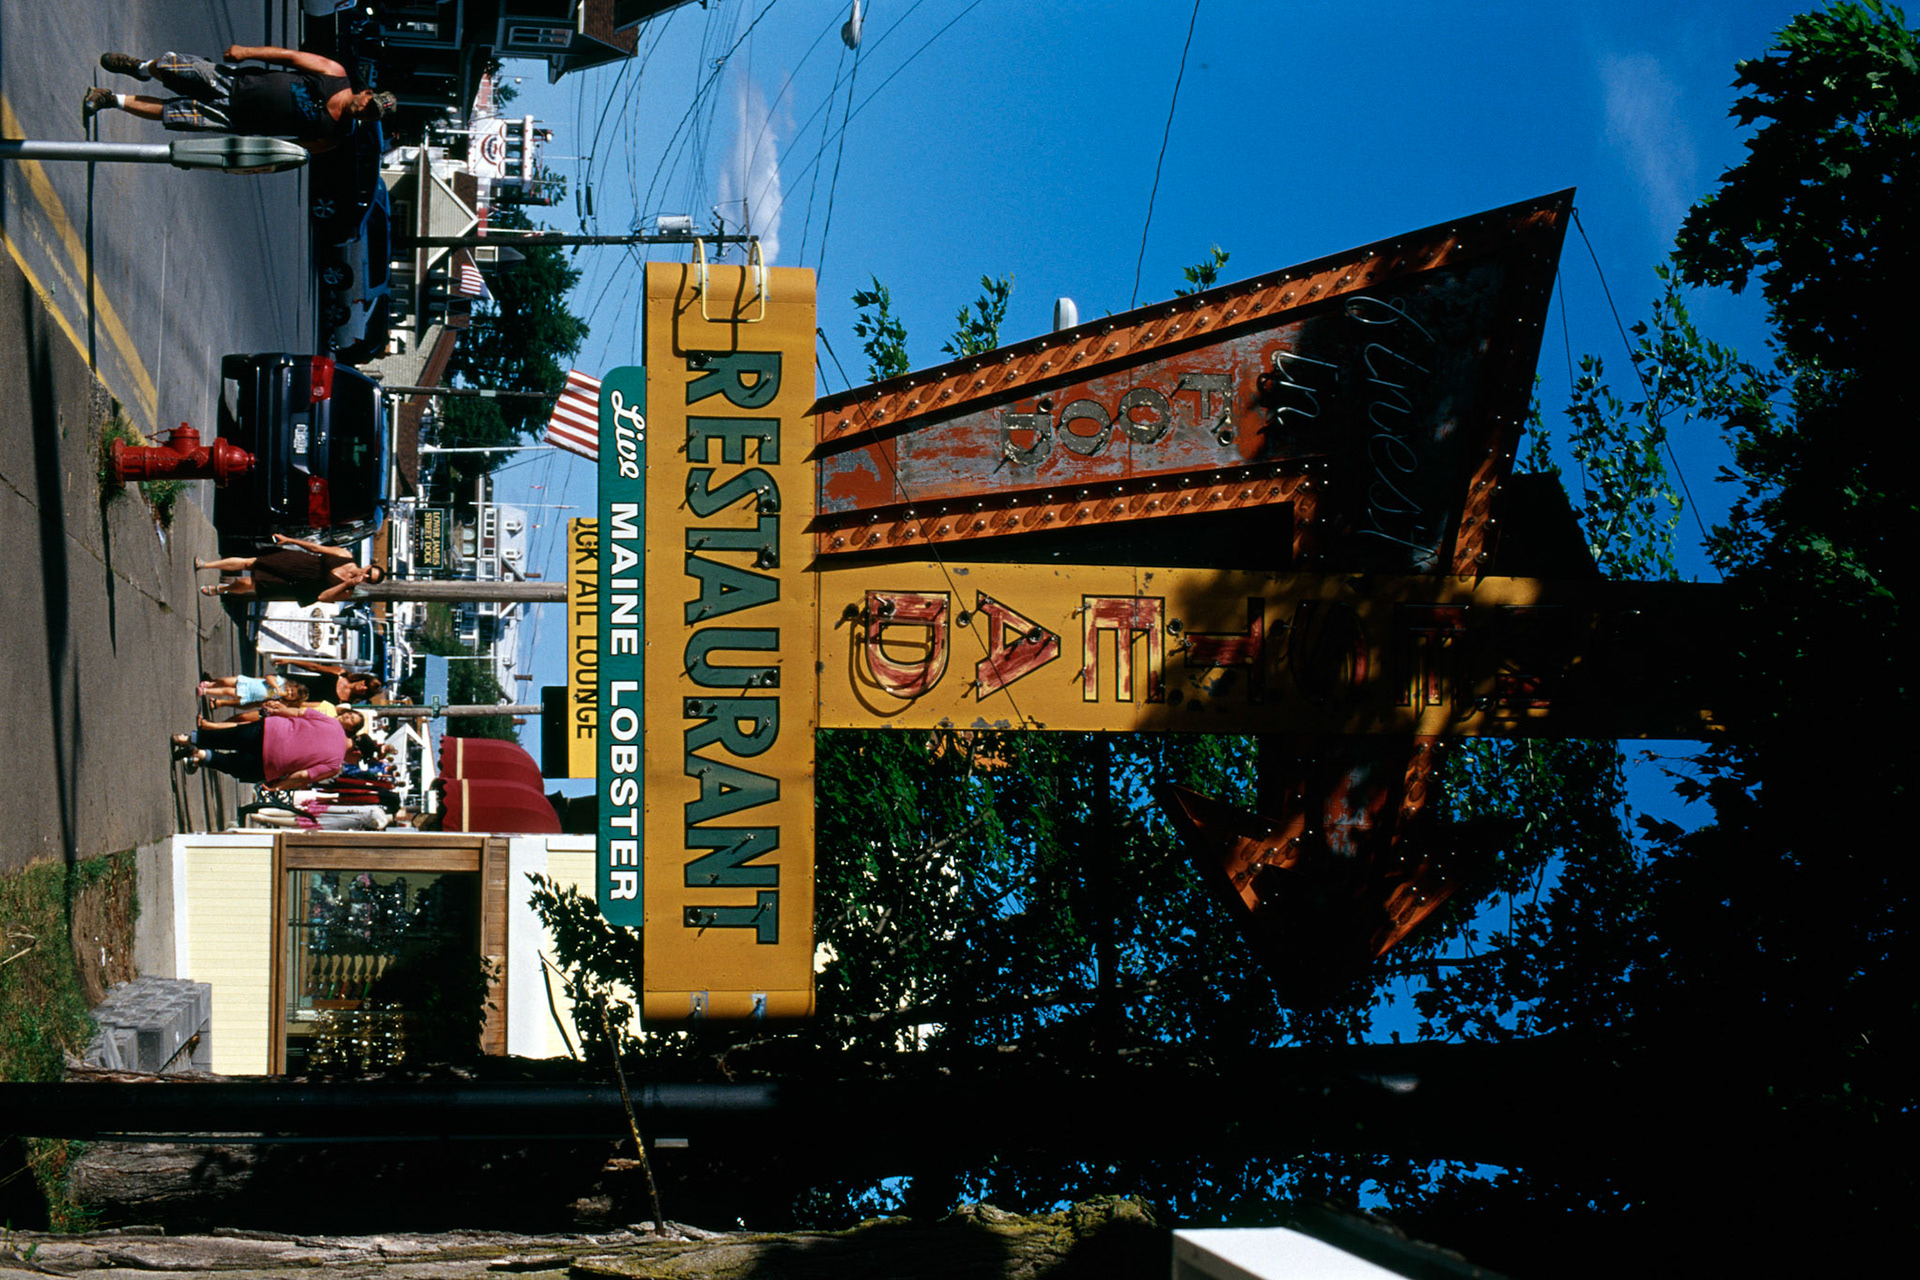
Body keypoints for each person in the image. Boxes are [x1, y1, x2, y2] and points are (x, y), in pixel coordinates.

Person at [83, 47, 393, 149]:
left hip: (235, 119)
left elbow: (294, 149)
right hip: (236, 82)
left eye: (372, 115)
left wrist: (252, 158)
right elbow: (290, 57)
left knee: (172, 113)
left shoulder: (337, 134)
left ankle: (109, 99)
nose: (366, 111)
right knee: (172, 68)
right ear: (367, 93)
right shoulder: (335, 73)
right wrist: (246, 52)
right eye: (371, 104)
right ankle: (140, 68)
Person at [172, 703, 347, 789]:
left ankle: (186, 739)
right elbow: (302, 775)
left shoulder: (333, 723)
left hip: (272, 729)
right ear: (356, 753)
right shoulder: (334, 764)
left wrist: (276, 711)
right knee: (236, 766)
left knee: (229, 736)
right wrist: (279, 785)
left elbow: (299, 712)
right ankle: (201, 755)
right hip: (273, 763)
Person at [196, 534, 385, 604]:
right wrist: (289, 540)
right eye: (369, 572)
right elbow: (316, 548)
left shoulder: (348, 591)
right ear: (368, 566)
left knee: (247, 583)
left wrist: (347, 583)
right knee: (251, 563)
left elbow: (323, 597)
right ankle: (207, 565)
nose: (366, 575)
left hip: (299, 585)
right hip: (300, 562)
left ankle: (223, 589)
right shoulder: (345, 555)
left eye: (369, 579)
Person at [270, 657, 384, 705]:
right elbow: (315, 667)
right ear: (363, 679)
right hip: (291, 682)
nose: (363, 688)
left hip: (291, 700)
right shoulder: (341, 673)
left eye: (366, 690)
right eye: (365, 684)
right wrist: (290, 661)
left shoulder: (344, 702)